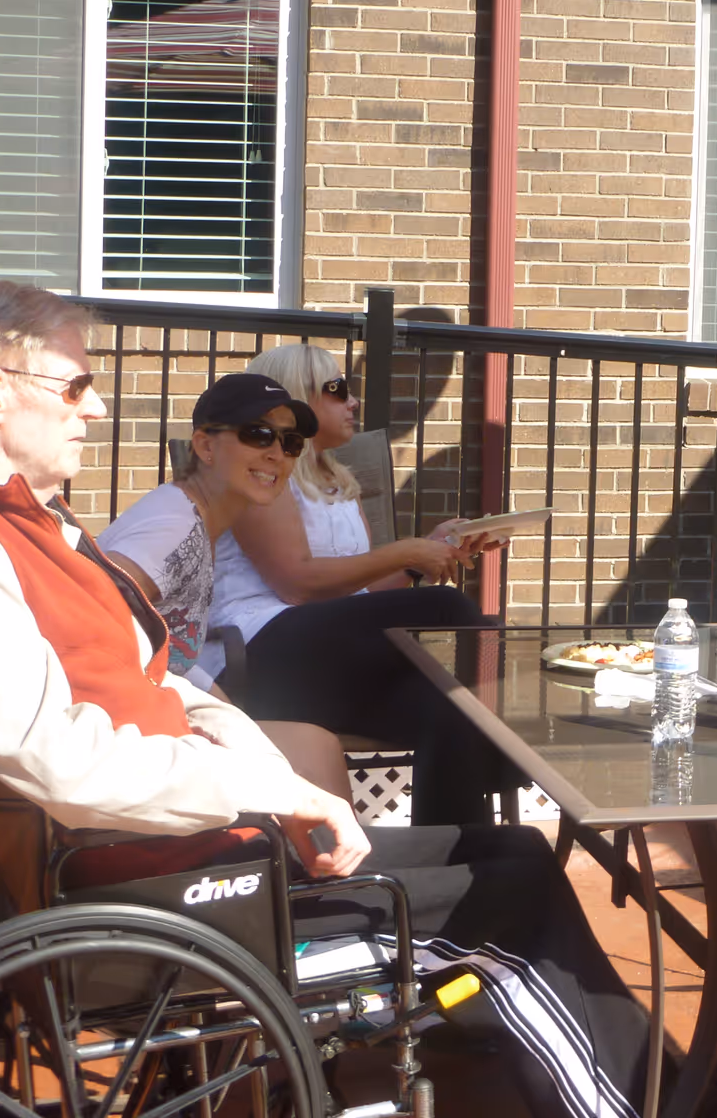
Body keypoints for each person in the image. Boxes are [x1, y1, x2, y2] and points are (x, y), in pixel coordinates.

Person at [0, 282, 650, 1118]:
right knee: (509, 898)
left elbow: (156, 679)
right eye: (77, 386)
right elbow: (65, 764)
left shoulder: (28, 526)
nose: (96, 408)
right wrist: (270, 790)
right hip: (166, 890)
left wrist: (276, 775)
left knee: (513, 851)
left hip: (196, 848)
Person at [211, 342, 509, 824]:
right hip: (257, 653)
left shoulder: (338, 482)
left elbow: (361, 596)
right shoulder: (262, 472)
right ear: (296, 400)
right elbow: (298, 585)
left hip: (320, 660)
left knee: (447, 708)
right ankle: (509, 750)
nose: (353, 402)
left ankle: (452, 855)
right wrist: (406, 551)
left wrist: (423, 556)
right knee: (450, 609)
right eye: (337, 390)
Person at [99, 370, 349, 797]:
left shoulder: (197, 519)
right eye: (258, 435)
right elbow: (97, 613)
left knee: (317, 745)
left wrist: (220, 708)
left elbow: (171, 648)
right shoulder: (174, 527)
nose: (277, 454)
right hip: (118, 736)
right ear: (205, 446)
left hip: (151, 714)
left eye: (290, 443)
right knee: (312, 750)